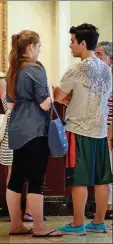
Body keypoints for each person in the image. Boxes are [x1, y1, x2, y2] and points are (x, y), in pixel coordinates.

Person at [54, 24, 112, 235]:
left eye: (72, 41)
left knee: (79, 178)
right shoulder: (107, 69)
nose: (70, 46)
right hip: (100, 130)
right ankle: (98, 222)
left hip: (78, 130)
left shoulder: (76, 69)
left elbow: (58, 97)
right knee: (101, 178)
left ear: (83, 43)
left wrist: (71, 100)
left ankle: (78, 223)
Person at [5, 30, 62, 237]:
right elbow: (46, 104)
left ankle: (15, 224)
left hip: (17, 130)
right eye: (39, 46)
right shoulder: (35, 69)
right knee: (36, 179)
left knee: (16, 178)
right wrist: (51, 92)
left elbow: (10, 104)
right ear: (31, 46)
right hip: (35, 131)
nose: (40, 50)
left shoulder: (13, 69)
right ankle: (39, 227)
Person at [0, 80, 44, 223]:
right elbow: (45, 104)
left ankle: (15, 215)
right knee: (33, 173)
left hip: (12, 131)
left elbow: (5, 102)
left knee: (12, 174)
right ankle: (29, 212)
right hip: (32, 130)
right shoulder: (35, 80)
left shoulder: (6, 82)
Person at [86, 41, 113, 223]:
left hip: (109, 129)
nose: (96, 57)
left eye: (100, 54)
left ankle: (109, 208)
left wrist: (110, 131)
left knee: (108, 170)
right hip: (101, 128)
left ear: (110, 58)